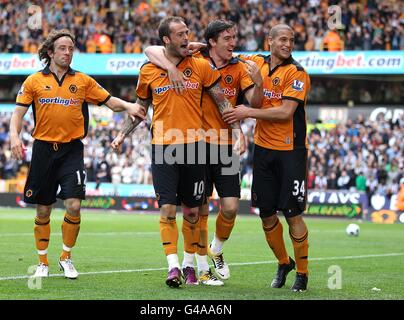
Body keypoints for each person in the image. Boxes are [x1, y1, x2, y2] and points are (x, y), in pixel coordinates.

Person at [111, 16, 245, 288]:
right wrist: (122, 134)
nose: (186, 37)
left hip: (195, 148)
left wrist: (237, 129)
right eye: (180, 34)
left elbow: (222, 101)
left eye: (188, 33)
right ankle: (173, 267)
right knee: (168, 209)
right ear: (166, 40)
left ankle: (189, 265)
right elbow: (140, 109)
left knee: (193, 212)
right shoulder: (148, 70)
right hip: (163, 148)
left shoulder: (200, 66)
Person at [9, 29, 146, 279]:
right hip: (43, 150)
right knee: (43, 210)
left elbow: (109, 101)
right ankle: (42, 262)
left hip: (72, 150)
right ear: (50, 52)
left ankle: (66, 257)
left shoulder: (82, 81)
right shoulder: (33, 81)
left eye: (71, 48)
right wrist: (14, 136)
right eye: (62, 48)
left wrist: (128, 105)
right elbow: (17, 114)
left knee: (73, 204)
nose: (68, 52)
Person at [143, 19, 263, 285]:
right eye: (228, 38)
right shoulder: (194, 54)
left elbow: (252, 101)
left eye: (234, 37)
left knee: (230, 207)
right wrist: (171, 67)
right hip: (196, 142)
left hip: (222, 142)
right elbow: (151, 49)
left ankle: (216, 250)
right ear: (212, 42)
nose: (233, 42)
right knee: (198, 209)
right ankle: (196, 267)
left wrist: (239, 127)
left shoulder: (241, 65)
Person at [223, 24, 311, 292]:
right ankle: (284, 263)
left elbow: (285, 112)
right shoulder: (256, 62)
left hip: (290, 152)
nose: (288, 44)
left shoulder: (297, 73)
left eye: (292, 40)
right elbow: (228, 54)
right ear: (269, 40)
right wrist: (199, 47)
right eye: (283, 39)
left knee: (292, 213)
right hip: (262, 150)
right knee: (266, 214)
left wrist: (247, 113)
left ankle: (303, 274)